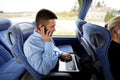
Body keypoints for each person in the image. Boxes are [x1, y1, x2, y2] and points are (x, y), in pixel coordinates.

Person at [23, 9, 72, 76]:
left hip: (58, 61)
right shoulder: (30, 45)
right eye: (52, 26)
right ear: (41, 27)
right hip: (52, 71)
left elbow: (53, 49)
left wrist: (61, 53)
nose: (55, 29)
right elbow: (44, 70)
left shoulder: (46, 36)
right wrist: (48, 43)